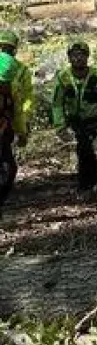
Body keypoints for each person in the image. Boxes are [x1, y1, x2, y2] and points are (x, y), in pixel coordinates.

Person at [50, 41, 97, 192]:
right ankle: (94, 181)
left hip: (94, 120)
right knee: (84, 148)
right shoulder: (63, 77)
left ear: (87, 57)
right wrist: (60, 126)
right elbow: (57, 104)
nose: (78, 58)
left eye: (81, 55)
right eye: (74, 55)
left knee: (84, 147)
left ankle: (86, 183)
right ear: (69, 58)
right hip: (75, 121)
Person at [0, 29, 33, 149]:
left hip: (8, 120)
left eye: (8, 49)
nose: (4, 52)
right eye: (2, 48)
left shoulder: (22, 71)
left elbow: (25, 100)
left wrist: (23, 124)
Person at [0, 52, 22, 212]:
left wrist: (21, 132)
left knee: (10, 169)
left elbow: (17, 111)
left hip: (3, 135)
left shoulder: (11, 90)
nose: (5, 85)